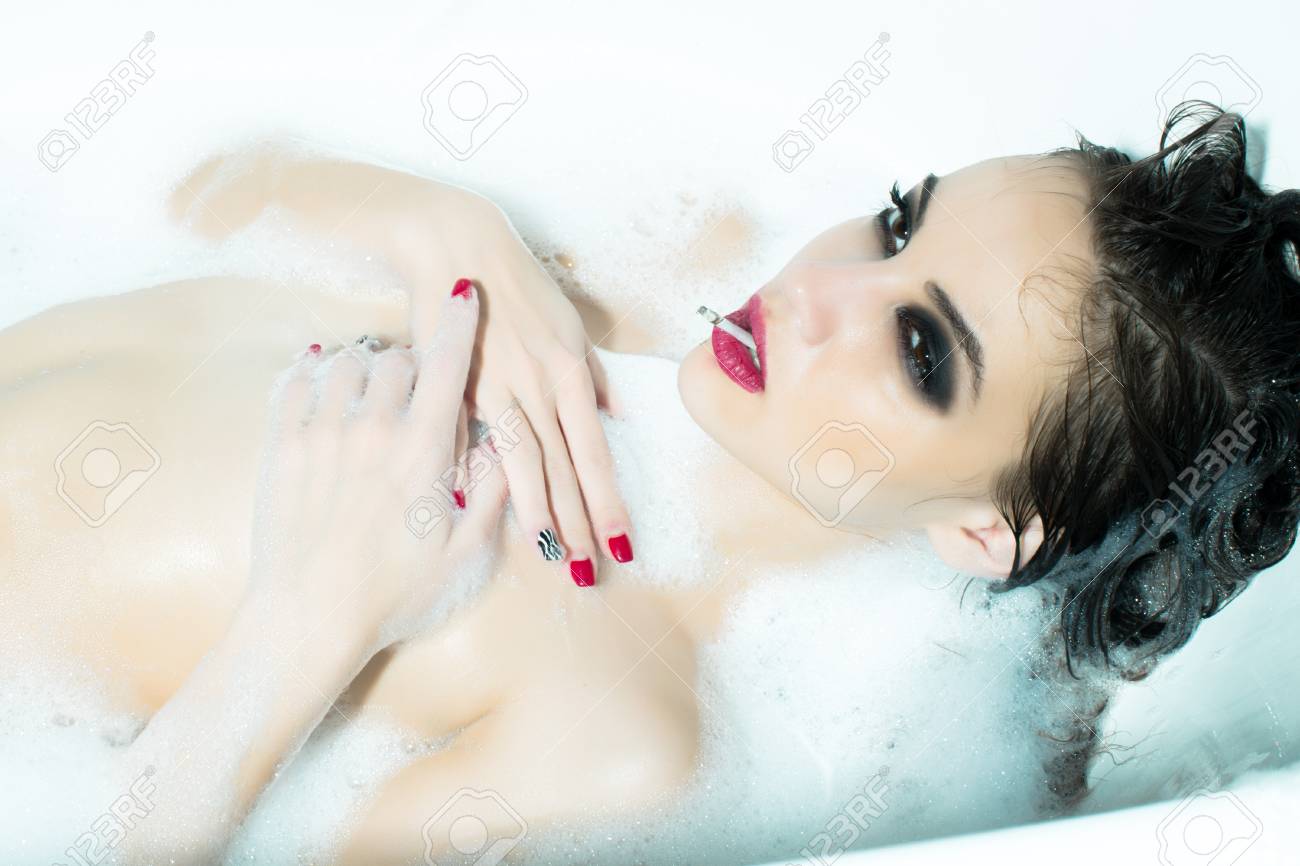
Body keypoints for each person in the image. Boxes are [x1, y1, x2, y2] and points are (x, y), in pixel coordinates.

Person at [2, 101, 1295, 864]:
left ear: (988, 529)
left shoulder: (620, 743)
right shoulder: (647, 267)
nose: (820, 290)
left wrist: (308, 613)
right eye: (899, 222)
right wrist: (445, 221)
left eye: (919, 348)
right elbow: (197, 183)